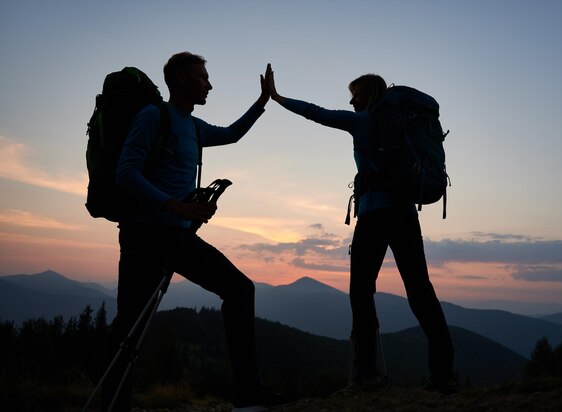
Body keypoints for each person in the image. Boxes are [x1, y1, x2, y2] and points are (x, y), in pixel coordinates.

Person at [102, 52, 292, 412]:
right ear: (181, 79)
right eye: (203, 77)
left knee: (238, 290)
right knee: (130, 325)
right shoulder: (152, 116)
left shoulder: (193, 126)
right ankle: (113, 405)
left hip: (176, 235)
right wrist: (175, 206)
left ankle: (249, 395)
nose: (210, 84)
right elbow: (126, 172)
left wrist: (262, 101)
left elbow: (233, 135)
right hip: (145, 234)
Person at [267, 67, 457, 394]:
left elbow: (317, 114)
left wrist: (279, 98)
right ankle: (444, 374)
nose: (351, 101)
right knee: (420, 290)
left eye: (354, 94)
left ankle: (367, 374)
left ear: (367, 95)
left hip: (374, 215)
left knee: (361, 291)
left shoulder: (363, 122)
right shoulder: (399, 125)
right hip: (405, 214)